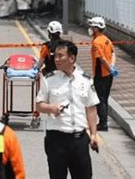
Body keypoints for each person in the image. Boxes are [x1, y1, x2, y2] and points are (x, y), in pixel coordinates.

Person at [36, 40, 99, 179]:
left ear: (72, 58)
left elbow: (91, 108)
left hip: (79, 140)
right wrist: (51, 108)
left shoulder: (85, 79)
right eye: (55, 56)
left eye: (60, 56)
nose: (56, 59)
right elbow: (39, 105)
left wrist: (93, 134)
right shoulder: (49, 79)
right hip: (56, 140)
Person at [88, 16, 117, 132]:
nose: (89, 28)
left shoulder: (96, 42)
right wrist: (112, 67)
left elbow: (102, 59)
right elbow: (113, 54)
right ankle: (103, 122)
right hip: (109, 74)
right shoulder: (106, 39)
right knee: (105, 98)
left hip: (101, 74)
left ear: (96, 28)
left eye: (91, 26)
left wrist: (109, 68)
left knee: (100, 99)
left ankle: (103, 124)